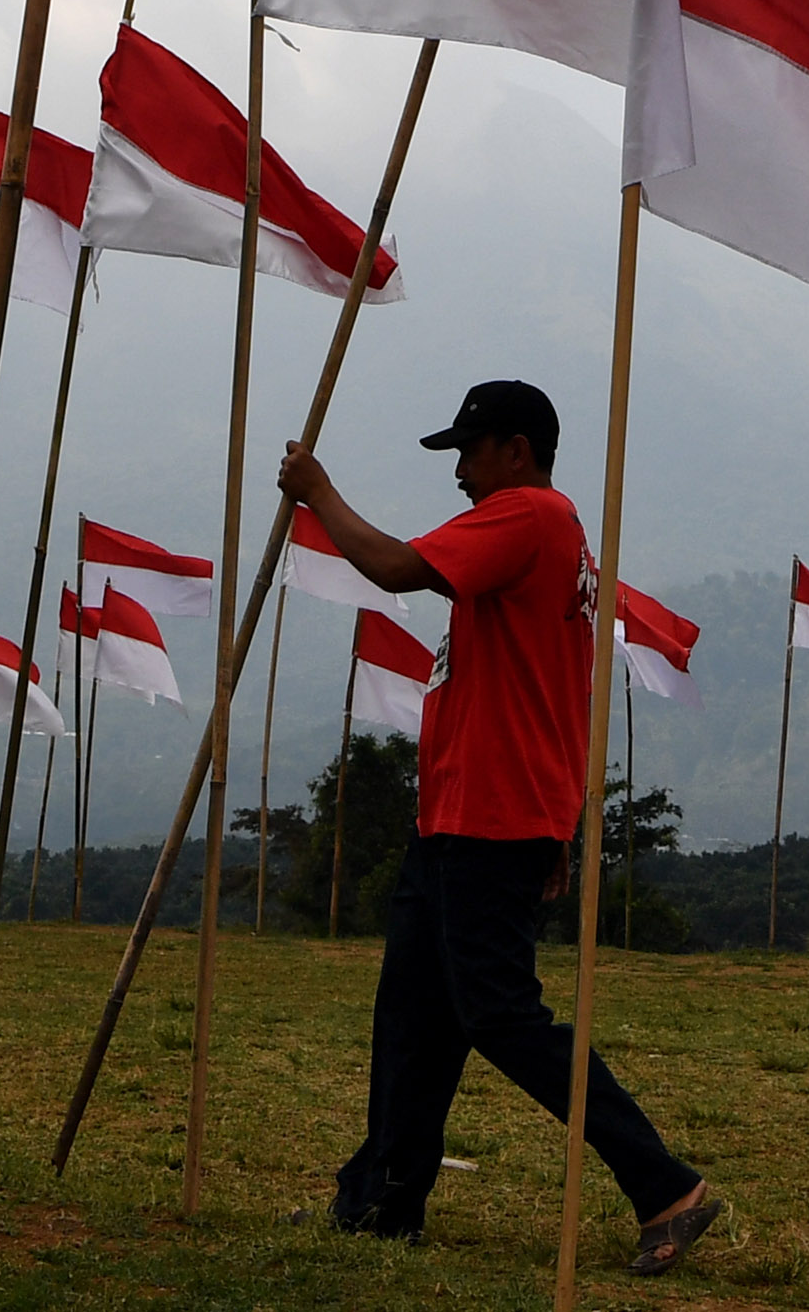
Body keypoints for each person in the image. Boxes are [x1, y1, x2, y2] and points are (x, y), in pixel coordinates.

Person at [280, 377, 722, 1275]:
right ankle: (382, 1200)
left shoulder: (528, 516)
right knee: (415, 1016)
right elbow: (554, 687)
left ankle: (664, 1185)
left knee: (502, 1017)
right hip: (464, 814)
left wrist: (318, 493)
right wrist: (558, 823)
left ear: (515, 450)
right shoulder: (550, 537)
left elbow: (400, 568)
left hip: (489, 816)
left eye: (468, 453)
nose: (459, 475)